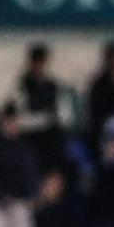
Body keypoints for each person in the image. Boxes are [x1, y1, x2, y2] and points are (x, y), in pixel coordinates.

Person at [16, 42, 73, 175]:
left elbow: (65, 117)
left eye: (42, 62)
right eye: (37, 62)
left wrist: (52, 119)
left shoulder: (53, 86)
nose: (39, 66)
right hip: (31, 141)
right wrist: (44, 119)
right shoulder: (22, 86)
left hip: (51, 141)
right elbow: (20, 120)